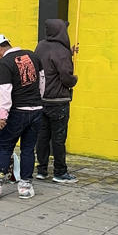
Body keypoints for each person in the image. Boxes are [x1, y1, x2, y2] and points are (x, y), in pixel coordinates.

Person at [0, 34, 42, 201]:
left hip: (17, 112)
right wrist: (38, 101)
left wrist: (2, 116)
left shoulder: (5, 64)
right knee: (28, 149)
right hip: (37, 110)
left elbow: (5, 92)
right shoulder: (33, 56)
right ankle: (25, 187)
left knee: (6, 146)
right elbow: (42, 82)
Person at [34, 18, 79, 183]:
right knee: (59, 139)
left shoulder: (40, 46)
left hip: (41, 100)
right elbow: (66, 77)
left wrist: (70, 53)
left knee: (43, 137)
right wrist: (74, 79)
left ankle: (42, 170)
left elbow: (48, 62)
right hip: (58, 101)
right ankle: (60, 172)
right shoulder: (62, 51)